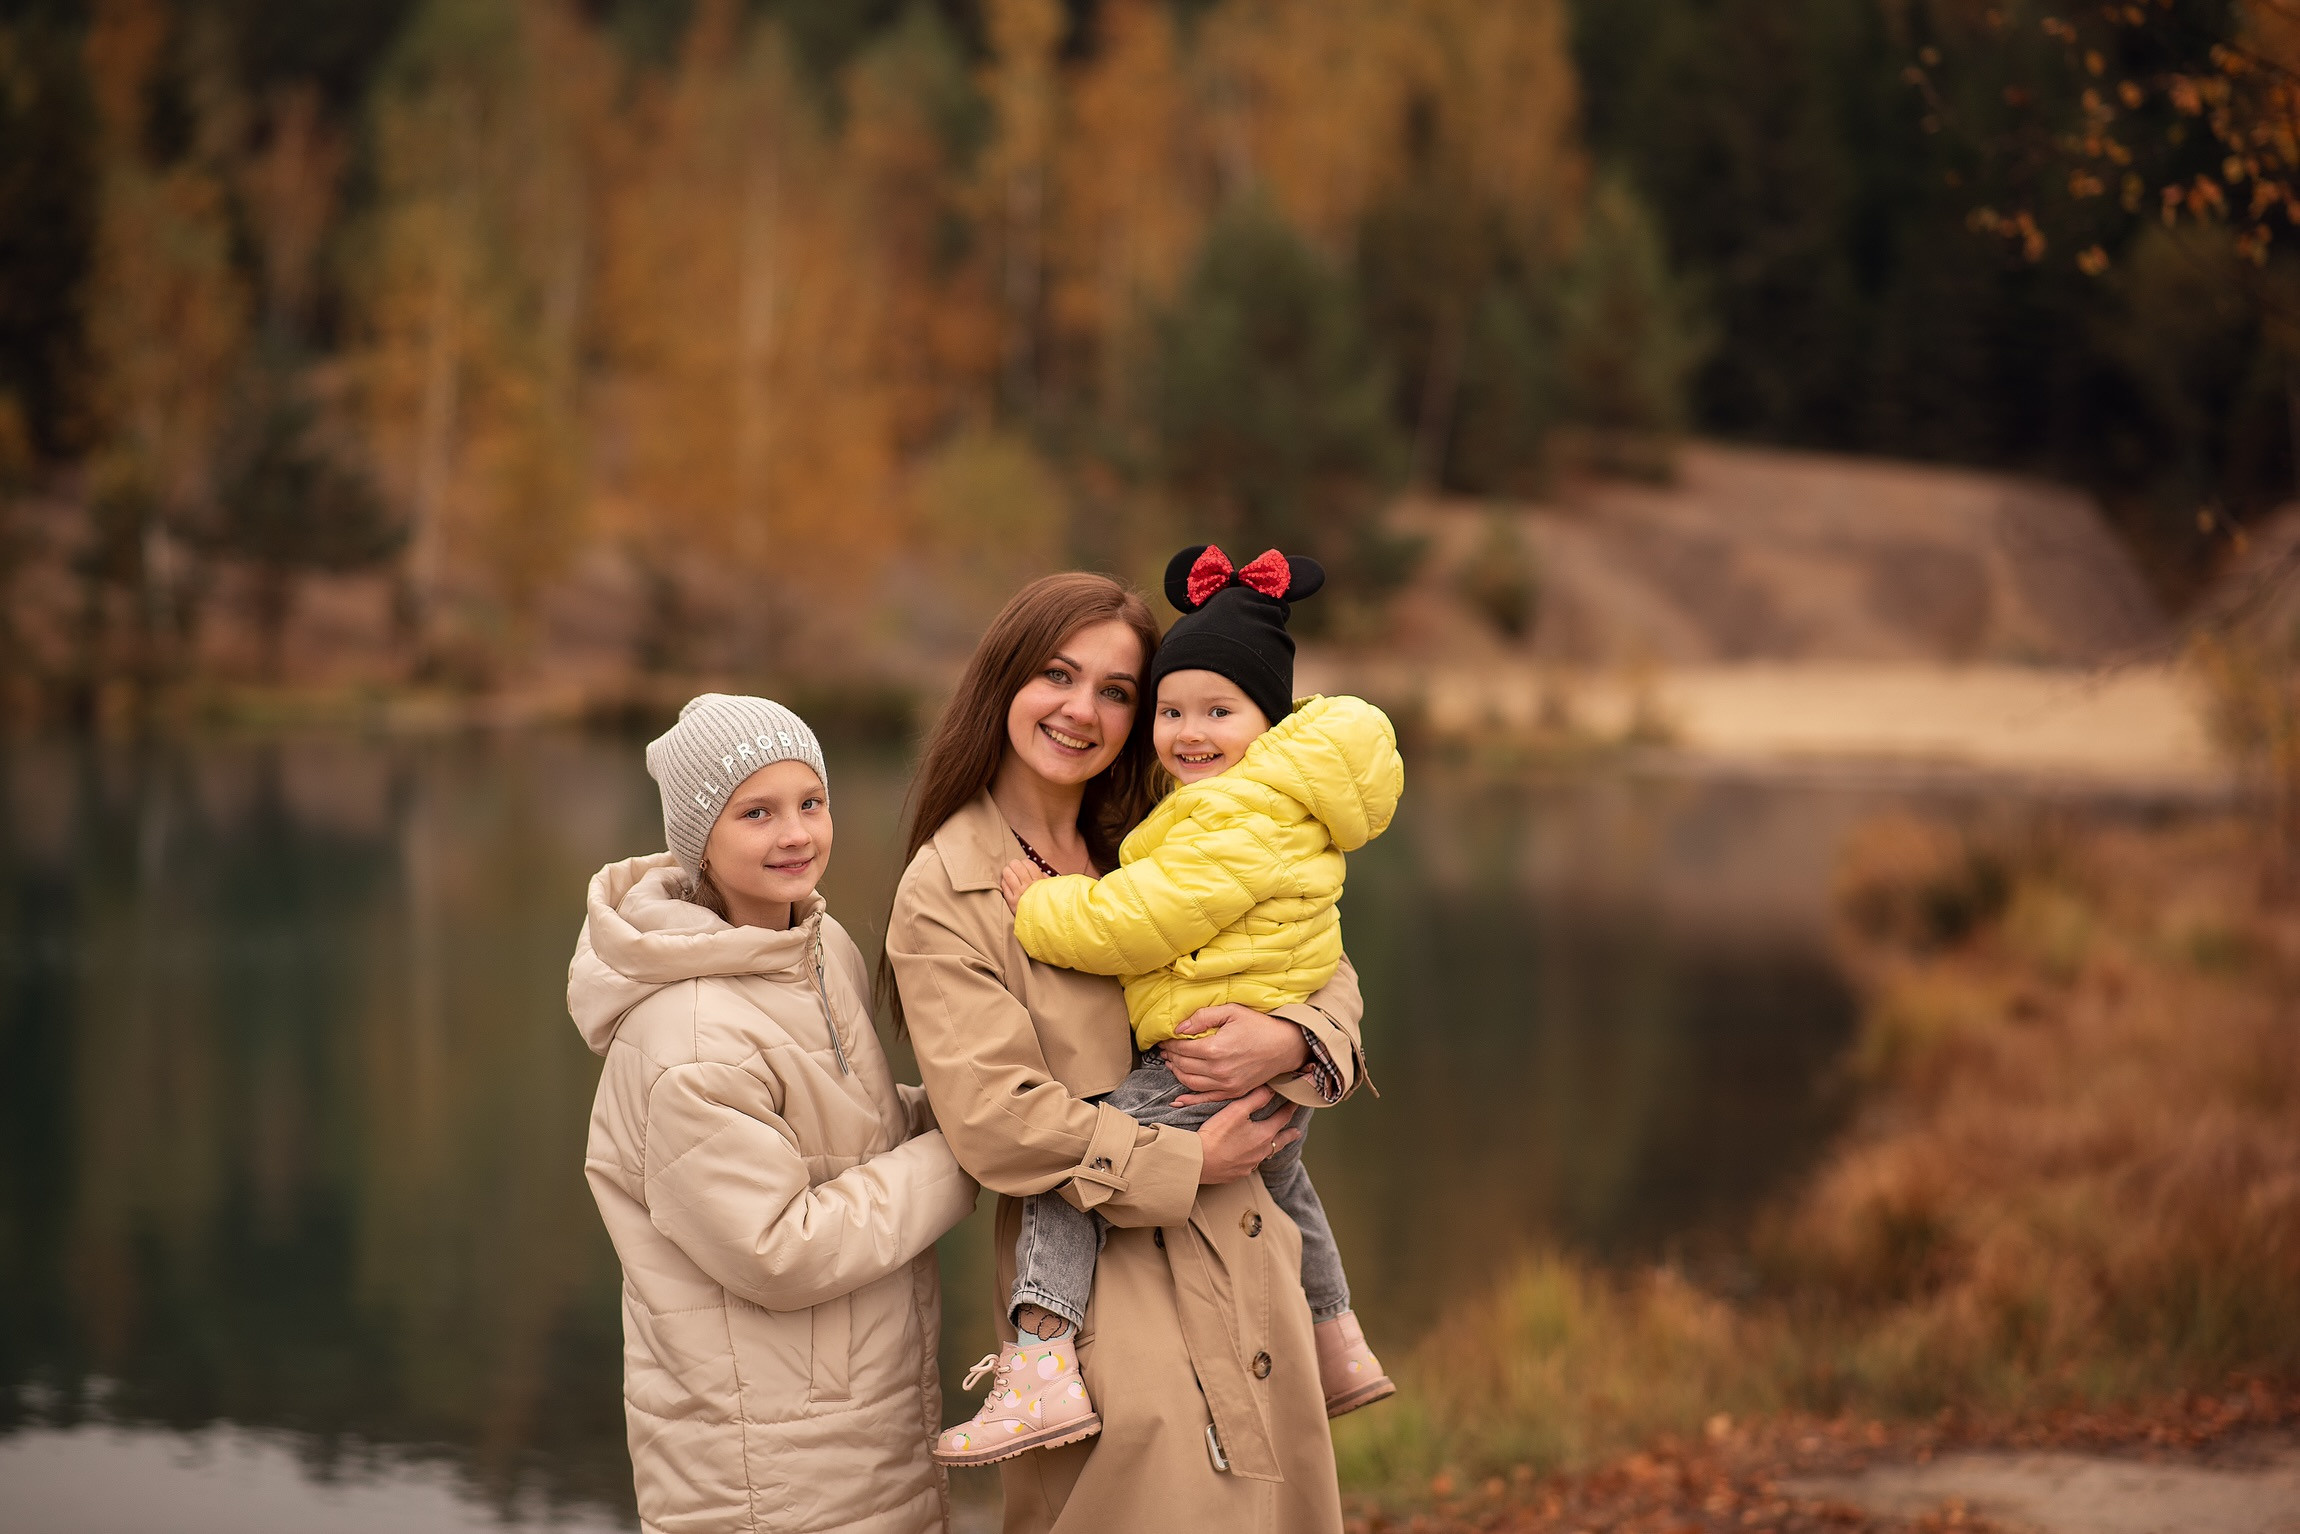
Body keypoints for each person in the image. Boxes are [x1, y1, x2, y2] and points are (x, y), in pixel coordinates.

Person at [884, 573, 1369, 1533]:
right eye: (1056, 675)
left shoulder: (1164, 836)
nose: (1082, 711)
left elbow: (1319, 957)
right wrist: (1185, 1160)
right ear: (1003, 681)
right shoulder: (948, 890)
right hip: (1102, 1308)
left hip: (1256, 1273)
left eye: (1116, 691)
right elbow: (996, 1121)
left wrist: (1290, 1037)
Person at [571, 695, 978, 1534]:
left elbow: (853, 1138)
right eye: (756, 812)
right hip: (764, 1470)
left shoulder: (818, 948)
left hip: (860, 1420)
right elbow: (780, 1251)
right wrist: (971, 1152)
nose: (796, 834)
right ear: (700, 840)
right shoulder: (689, 1040)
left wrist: (985, 1107)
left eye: (811, 802)